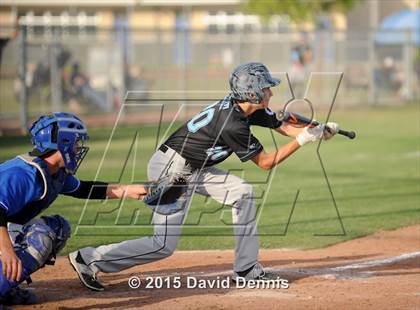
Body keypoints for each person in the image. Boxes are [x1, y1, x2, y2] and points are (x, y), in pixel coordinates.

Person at [68, 62, 340, 291]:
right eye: (265, 88)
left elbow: (281, 125)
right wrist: (304, 139)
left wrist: (314, 131)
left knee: (242, 192)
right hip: (172, 169)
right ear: (252, 93)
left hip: (195, 166)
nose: (270, 92)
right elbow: (266, 163)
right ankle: (88, 258)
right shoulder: (232, 123)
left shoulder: (246, 107)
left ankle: (246, 269)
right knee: (162, 246)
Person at [0, 112, 148, 305]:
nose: (78, 148)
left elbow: (84, 189)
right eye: (76, 142)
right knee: (41, 236)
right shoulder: (24, 174)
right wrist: (6, 250)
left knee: (58, 229)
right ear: (63, 142)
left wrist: (128, 190)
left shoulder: (53, 172)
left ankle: (6, 286)